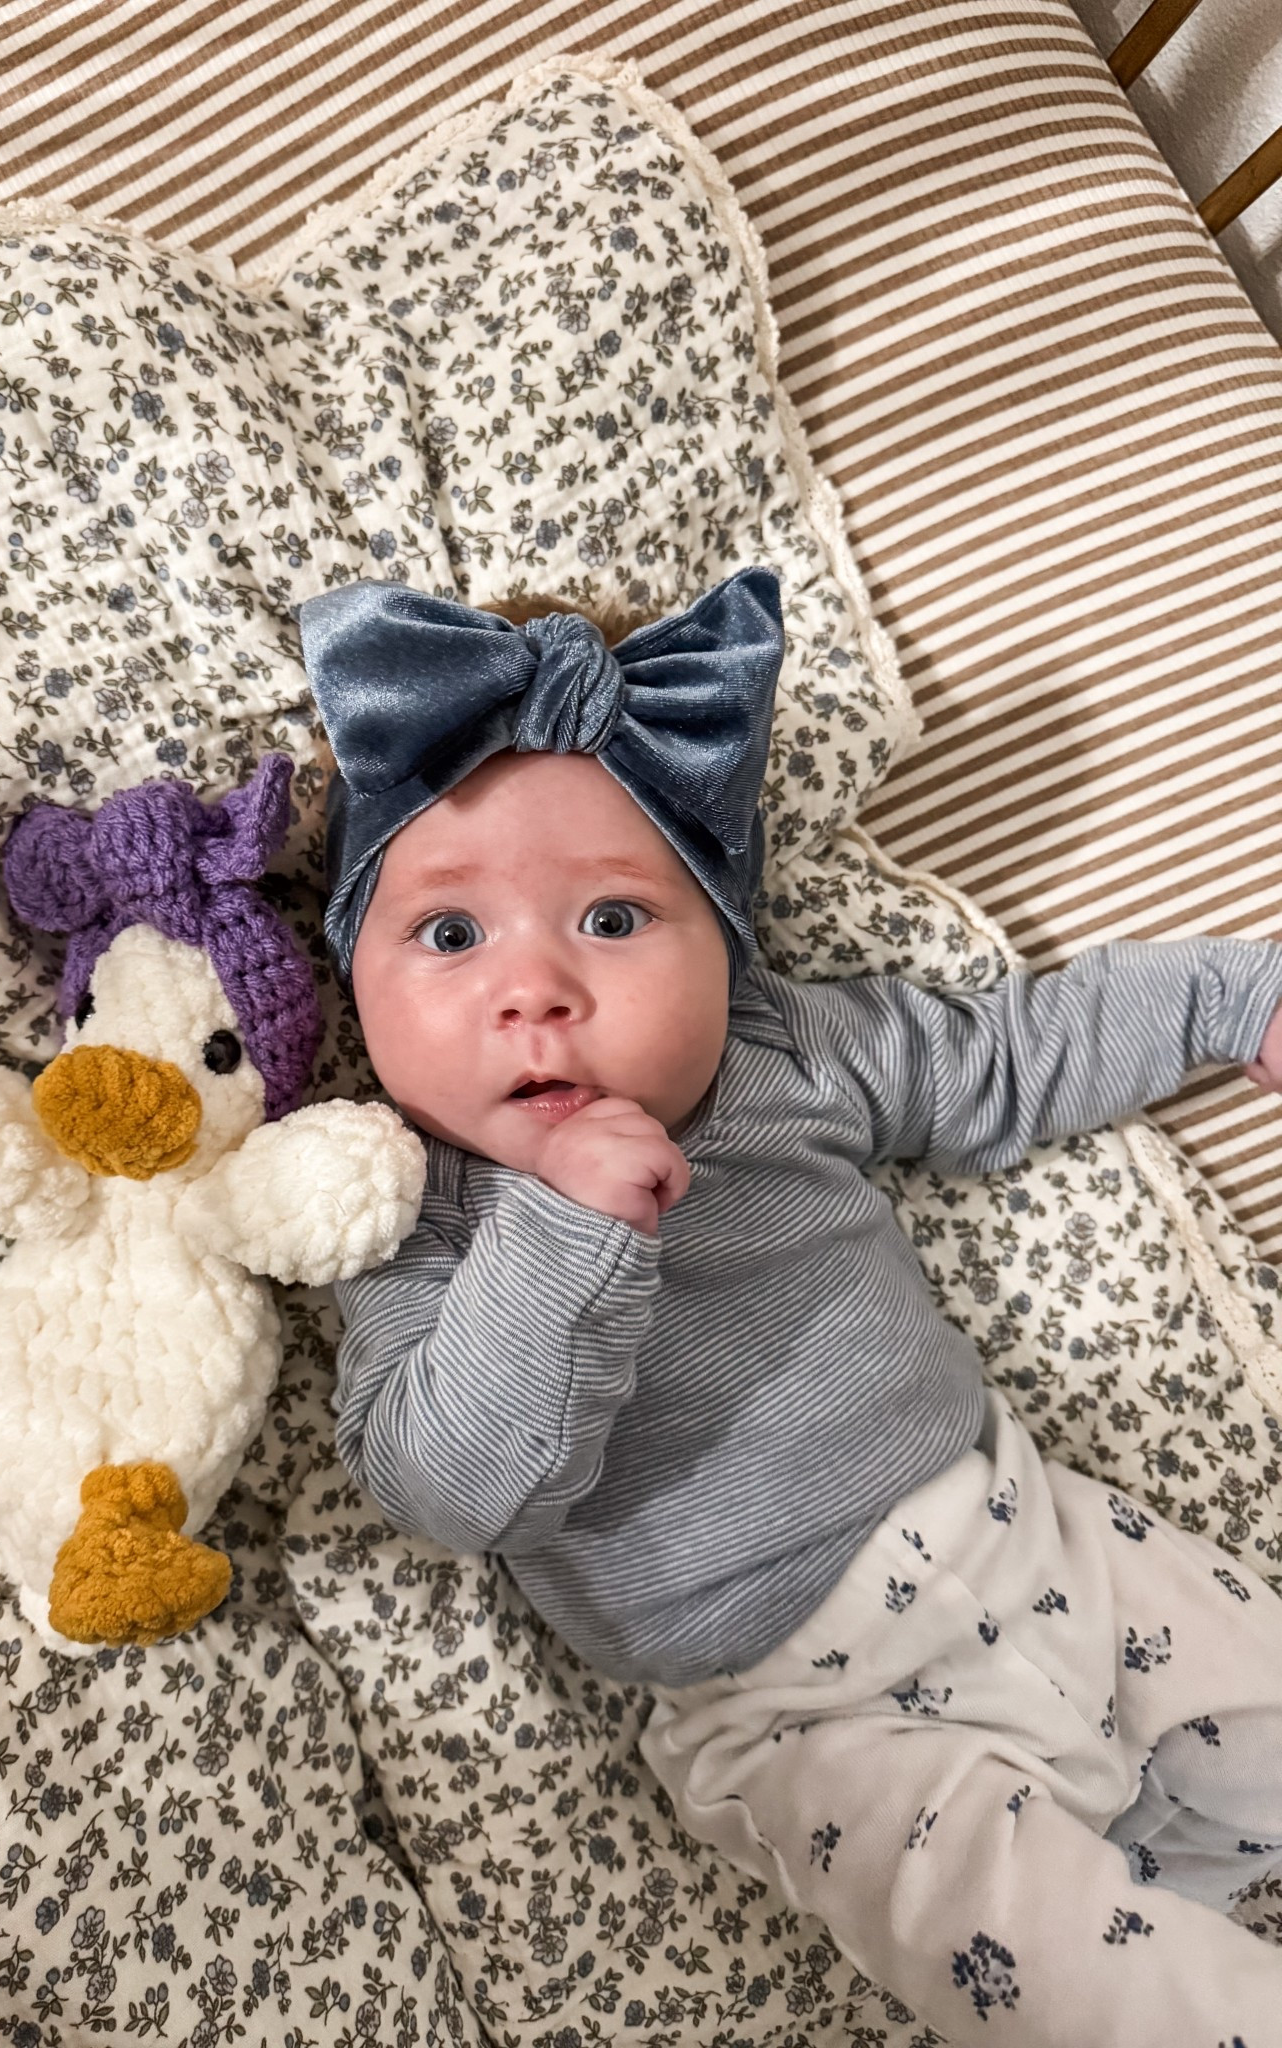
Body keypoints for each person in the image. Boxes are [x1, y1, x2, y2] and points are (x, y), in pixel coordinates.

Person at [296, 563, 1282, 2046]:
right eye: (448, 936)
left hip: (1045, 1546)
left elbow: (1012, 1052)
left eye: (617, 918)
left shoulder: (779, 1059)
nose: (538, 989)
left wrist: (1230, 998)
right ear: (352, 983)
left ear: (729, 947)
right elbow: (451, 1488)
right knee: (1114, 1997)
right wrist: (560, 1232)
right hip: (820, 1728)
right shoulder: (411, 1226)